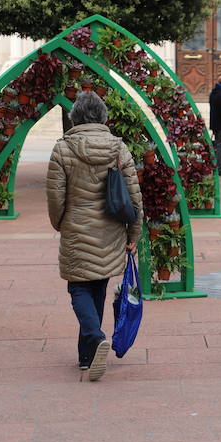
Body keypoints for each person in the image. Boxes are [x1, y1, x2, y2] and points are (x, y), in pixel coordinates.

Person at [46, 91, 143, 382]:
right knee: (97, 285)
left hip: (77, 225)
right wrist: (134, 233)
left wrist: (59, 222)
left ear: (74, 117)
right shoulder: (119, 148)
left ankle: (95, 337)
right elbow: (134, 196)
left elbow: (55, 195)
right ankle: (86, 356)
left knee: (78, 288)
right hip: (112, 228)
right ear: (103, 117)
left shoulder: (62, 149)